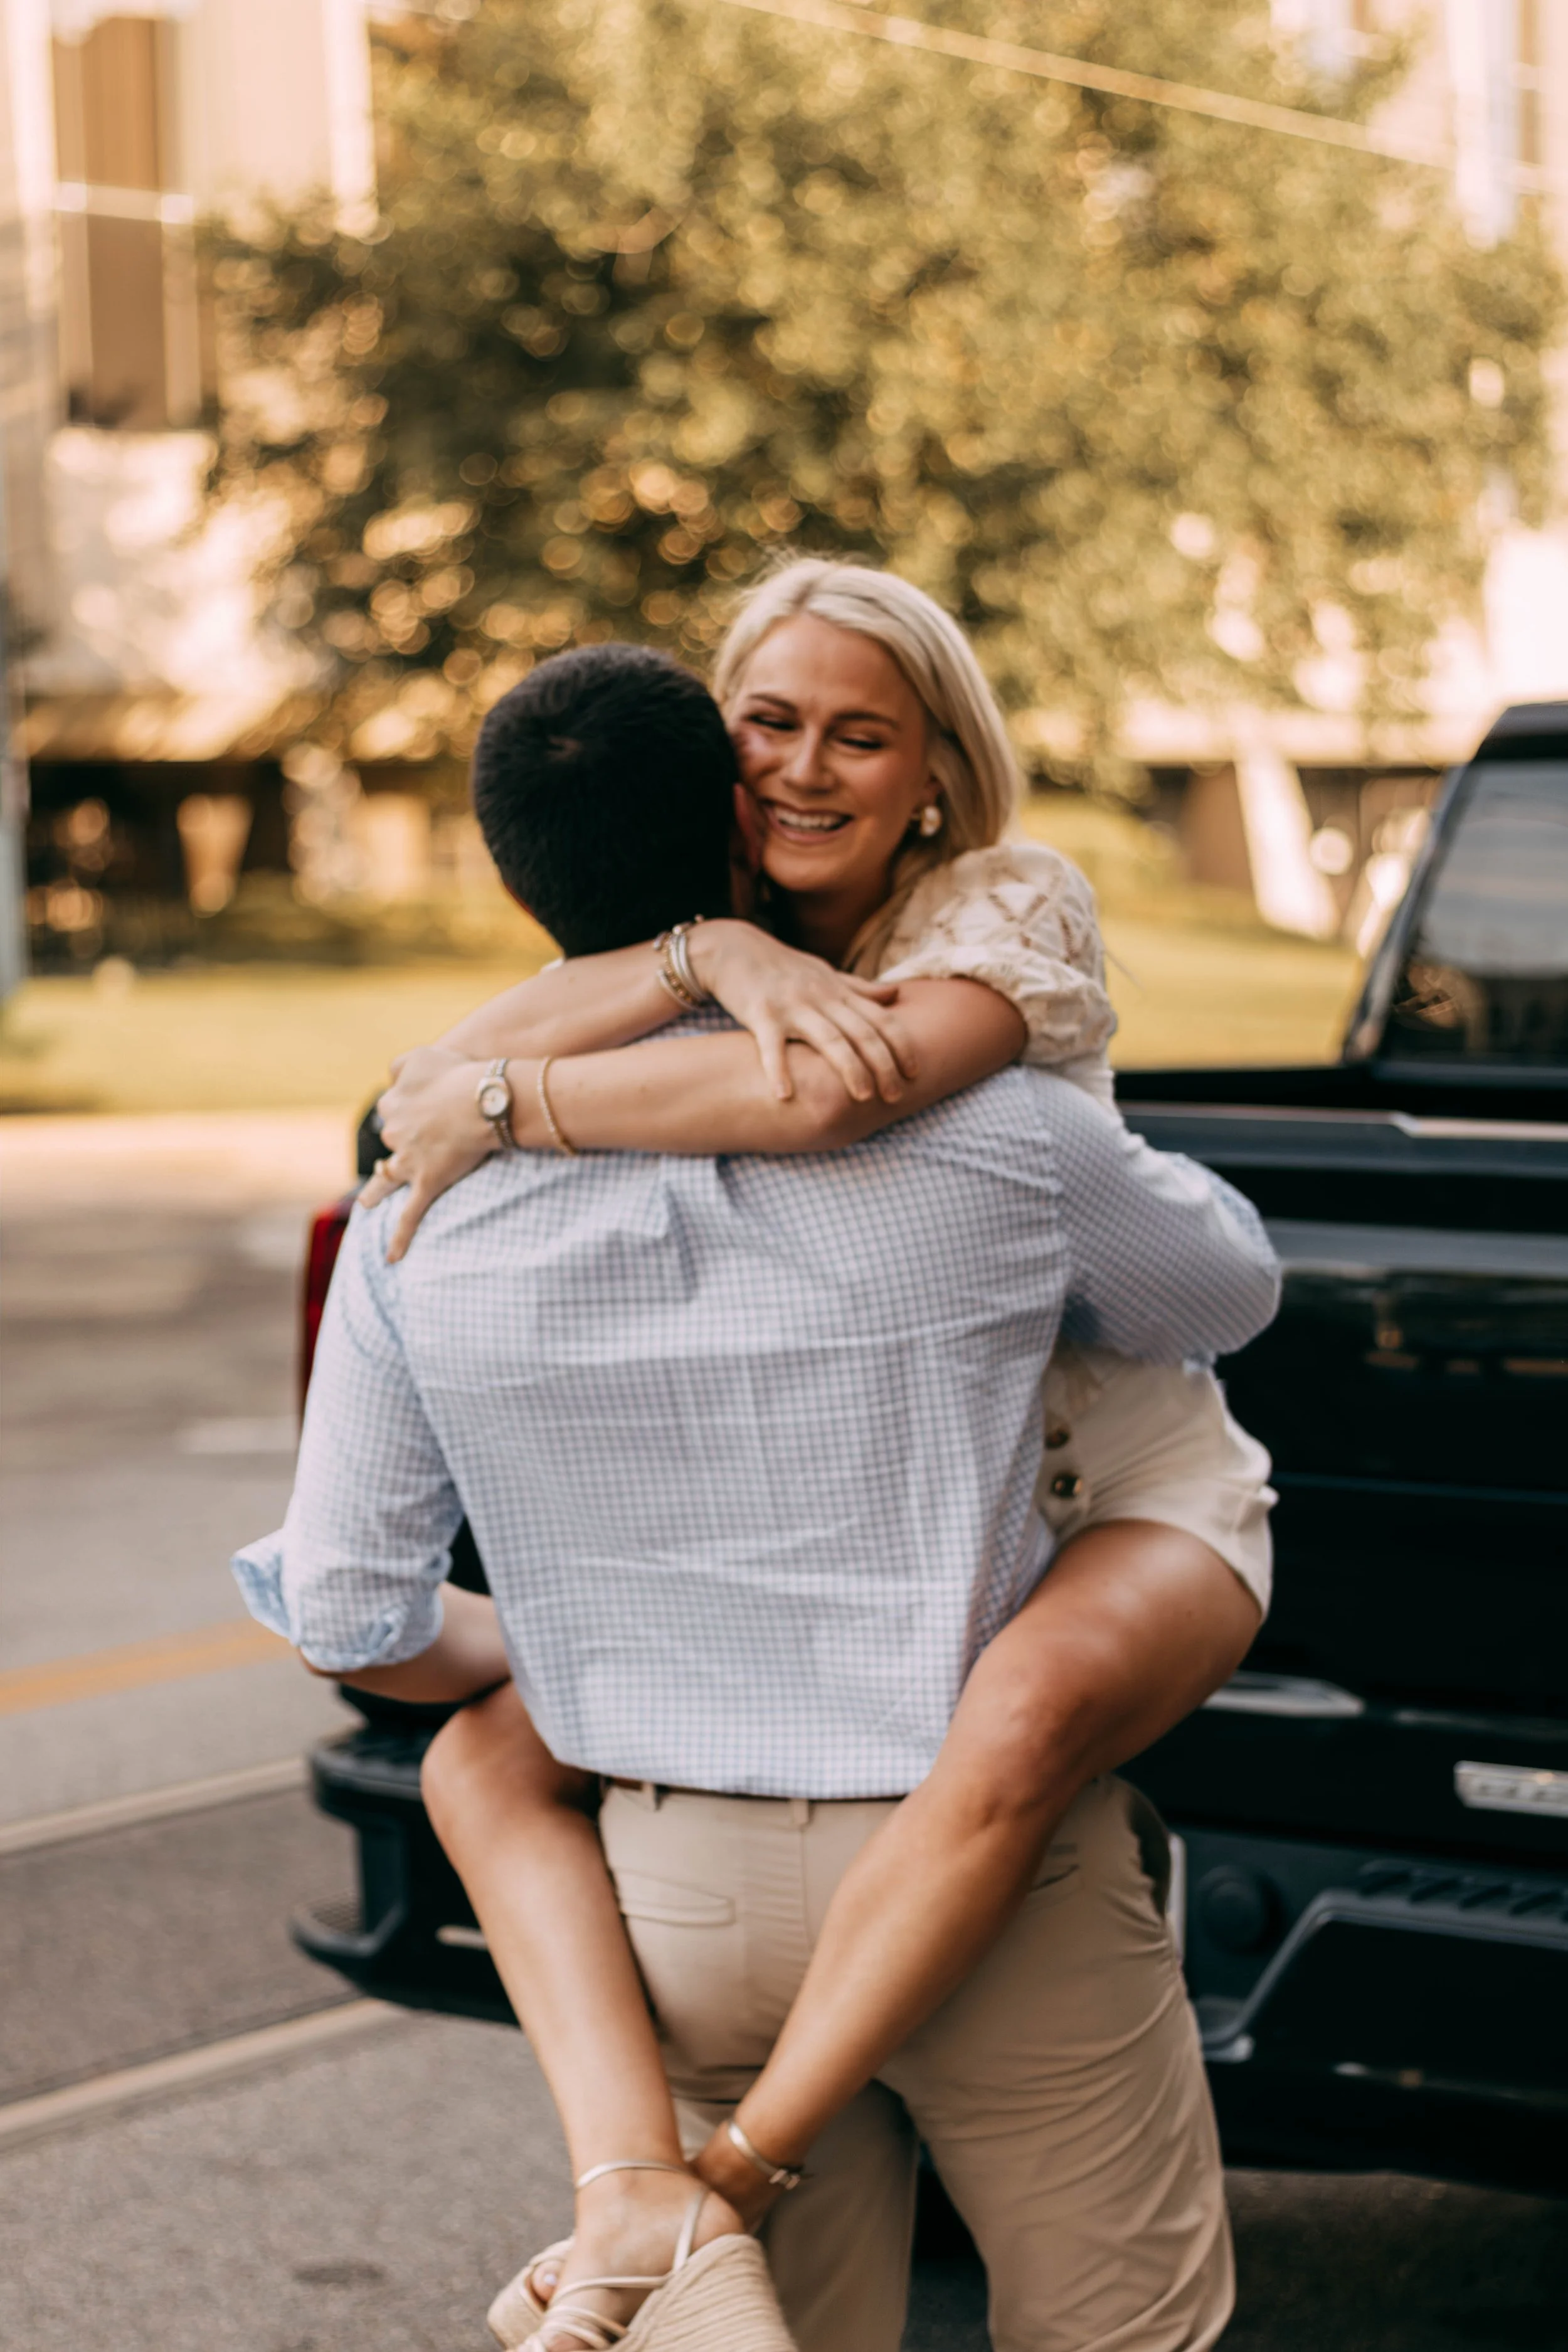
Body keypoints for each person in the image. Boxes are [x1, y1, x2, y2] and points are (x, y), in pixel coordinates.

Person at [236, 610, 1279, 2351]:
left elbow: (349, 1615)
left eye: (852, 735)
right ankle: (692, 2193)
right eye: (770, 732)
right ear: (729, 802)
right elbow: (1220, 1295)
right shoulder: (1005, 1137)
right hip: (985, 1869)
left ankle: (646, 2201)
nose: (803, 771)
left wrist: (580, 1657)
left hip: (680, 1872)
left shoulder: (424, 1187)